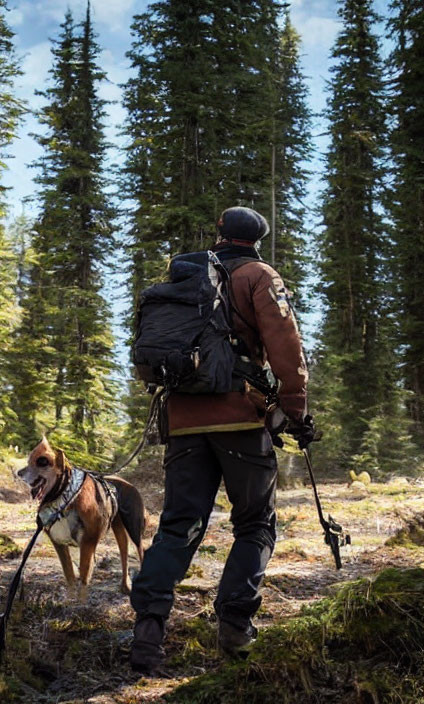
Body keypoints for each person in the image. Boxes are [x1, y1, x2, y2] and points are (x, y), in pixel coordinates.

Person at [128, 206, 316, 675]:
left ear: (219, 234)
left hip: (184, 419)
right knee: (254, 524)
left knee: (178, 525)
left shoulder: (186, 275)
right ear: (256, 240)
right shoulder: (258, 275)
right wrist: (294, 408)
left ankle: (147, 634)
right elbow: (285, 343)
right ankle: (234, 627)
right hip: (240, 417)